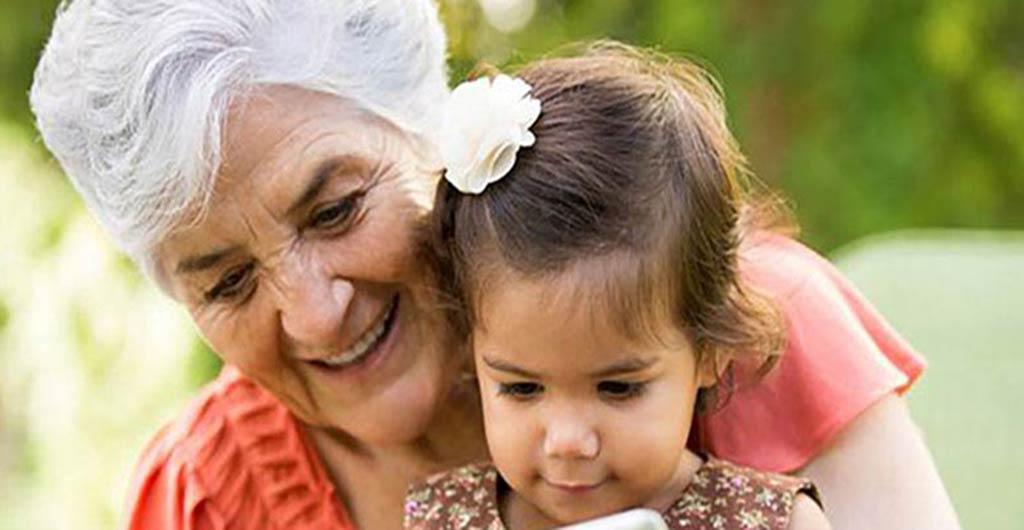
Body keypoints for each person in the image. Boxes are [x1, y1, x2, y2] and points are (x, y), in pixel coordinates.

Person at [29, 1, 958, 529]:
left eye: (337, 208)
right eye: (227, 282)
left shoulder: (748, 319)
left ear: (433, 133)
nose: (315, 314)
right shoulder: (206, 495)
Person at [404, 47, 829, 530]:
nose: (566, 441)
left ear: (709, 350)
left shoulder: (770, 523)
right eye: (521, 388)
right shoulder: (442, 518)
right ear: (472, 352)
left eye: (618, 388)